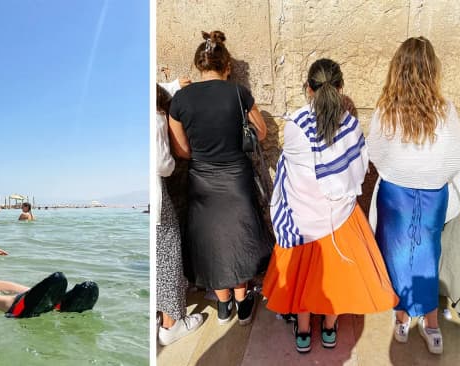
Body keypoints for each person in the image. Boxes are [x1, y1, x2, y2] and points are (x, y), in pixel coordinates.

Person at [262, 58, 399, 353]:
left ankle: (302, 331)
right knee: (336, 277)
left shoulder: (297, 125)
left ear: (308, 89)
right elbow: (359, 168)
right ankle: (328, 328)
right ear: (340, 87)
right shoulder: (349, 124)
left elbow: (291, 171)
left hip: (303, 219)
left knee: (301, 277)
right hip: (340, 219)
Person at [167, 31, 270, 327]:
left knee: (212, 242)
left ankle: (223, 306)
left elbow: (182, 150)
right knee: (239, 239)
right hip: (236, 176)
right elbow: (260, 133)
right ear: (226, 66)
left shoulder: (181, 99)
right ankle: (243, 303)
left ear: (200, 66)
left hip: (203, 179)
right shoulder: (238, 93)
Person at [367, 37, 460, 355]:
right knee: (427, 258)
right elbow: (453, 157)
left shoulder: (386, 109)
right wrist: (430, 174)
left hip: (396, 196)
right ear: (432, 69)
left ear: (397, 69)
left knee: (397, 258)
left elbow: (376, 153)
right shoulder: (445, 109)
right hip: (433, 196)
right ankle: (432, 327)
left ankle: (403, 319)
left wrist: (403, 171)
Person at [155, 80, 205, 346]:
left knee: (158, 256)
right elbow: (164, 165)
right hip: (157, 193)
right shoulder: (155, 118)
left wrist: (172, 84)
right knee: (168, 253)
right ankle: (171, 323)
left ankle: (160, 315)